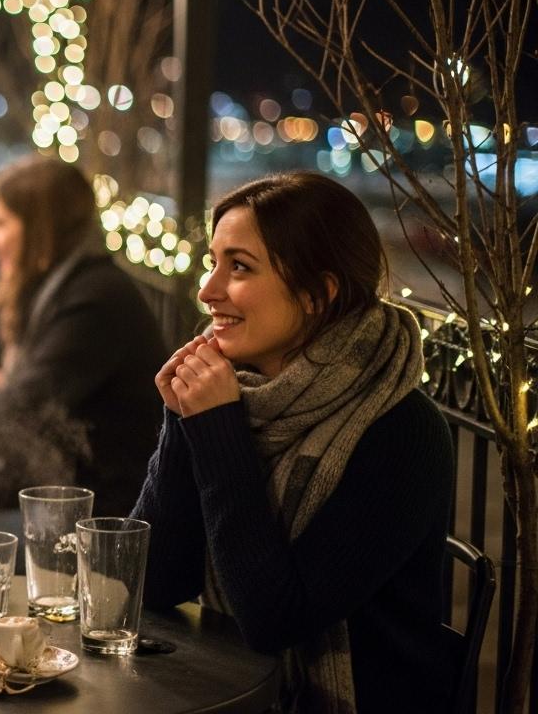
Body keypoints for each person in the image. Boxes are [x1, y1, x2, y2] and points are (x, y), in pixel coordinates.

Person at [132, 172, 454, 712]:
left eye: (239, 267)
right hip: (236, 688)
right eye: (214, 262)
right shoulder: (243, 394)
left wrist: (215, 428)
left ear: (317, 295)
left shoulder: (401, 429)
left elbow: (275, 619)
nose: (208, 290)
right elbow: (156, 584)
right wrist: (184, 420)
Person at [0, 155, 164, 517]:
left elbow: (10, 416)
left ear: (39, 230)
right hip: (61, 494)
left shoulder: (95, 300)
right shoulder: (61, 288)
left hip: (103, 522)